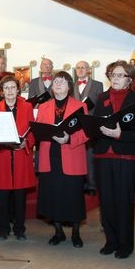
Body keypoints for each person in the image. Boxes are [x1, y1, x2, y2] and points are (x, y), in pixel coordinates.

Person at [94, 60, 135, 259]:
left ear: (129, 79)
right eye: (112, 75)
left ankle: (125, 244)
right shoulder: (101, 98)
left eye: (120, 75)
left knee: (124, 202)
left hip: (126, 156)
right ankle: (111, 241)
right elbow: (95, 125)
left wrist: (119, 135)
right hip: (102, 155)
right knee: (106, 201)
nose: (115, 78)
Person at [35, 71, 89, 247]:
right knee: (53, 197)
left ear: (69, 87)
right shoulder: (44, 107)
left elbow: (86, 132)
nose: (57, 84)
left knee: (73, 197)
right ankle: (58, 232)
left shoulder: (80, 106)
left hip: (72, 157)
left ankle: (76, 233)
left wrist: (69, 139)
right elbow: (38, 131)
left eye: (62, 82)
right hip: (50, 158)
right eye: (56, 81)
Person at [0, 75, 35, 241]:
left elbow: (32, 131)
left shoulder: (27, 106)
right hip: (1, 156)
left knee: (20, 197)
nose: (9, 91)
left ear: (18, 90)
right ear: (1, 91)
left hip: (21, 156)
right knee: (2, 197)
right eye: (6, 88)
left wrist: (27, 143)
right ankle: (3, 229)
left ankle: (19, 229)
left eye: (13, 87)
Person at [73, 60, 104, 196]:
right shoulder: (71, 86)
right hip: (75, 126)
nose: (80, 70)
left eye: (83, 68)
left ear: (88, 70)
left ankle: (91, 185)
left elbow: (100, 105)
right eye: (78, 68)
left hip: (91, 124)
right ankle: (79, 184)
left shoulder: (98, 85)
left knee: (90, 155)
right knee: (77, 155)